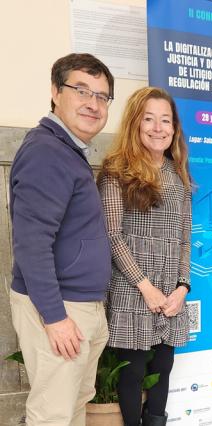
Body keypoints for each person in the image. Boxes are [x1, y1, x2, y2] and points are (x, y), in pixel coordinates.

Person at [9, 53, 114, 425]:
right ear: (55, 92)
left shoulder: (66, 151)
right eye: (81, 90)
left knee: (70, 407)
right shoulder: (48, 152)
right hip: (60, 309)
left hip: (77, 305)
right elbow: (31, 242)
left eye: (102, 96)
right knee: (53, 414)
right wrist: (54, 317)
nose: (93, 103)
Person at [97, 87, 192, 426]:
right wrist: (145, 287)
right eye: (149, 119)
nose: (158, 128)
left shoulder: (177, 174)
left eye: (165, 120)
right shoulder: (115, 171)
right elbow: (111, 235)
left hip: (170, 289)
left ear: (174, 127)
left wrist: (182, 287)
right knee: (133, 370)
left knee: (163, 366)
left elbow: (184, 237)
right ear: (135, 124)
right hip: (130, 286)